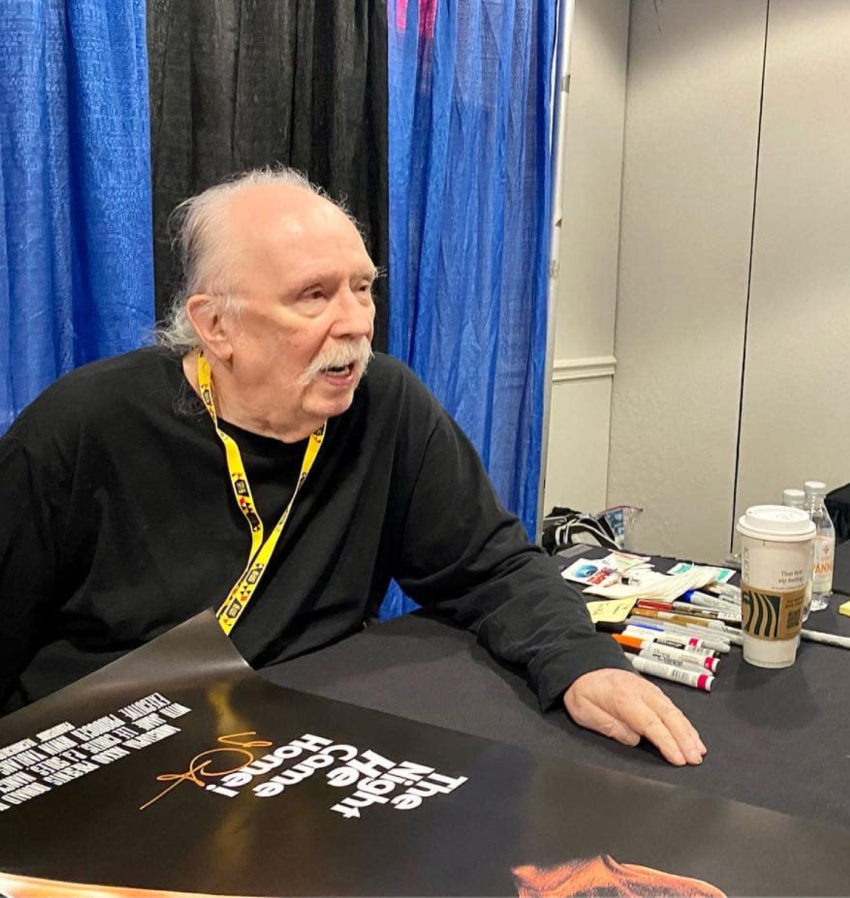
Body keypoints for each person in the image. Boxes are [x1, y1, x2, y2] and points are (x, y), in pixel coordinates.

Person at [0, 169, 706, 766]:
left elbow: (490, 568)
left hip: (286, 750)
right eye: (314, 295)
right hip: (97, 757)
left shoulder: (383, 404)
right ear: (217, 326)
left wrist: (579, 662)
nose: (356, 323)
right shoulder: (82, 427)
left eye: (362, 288)